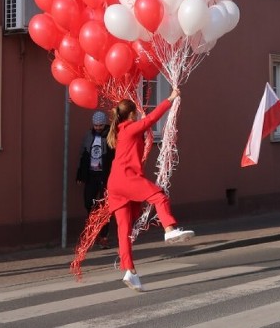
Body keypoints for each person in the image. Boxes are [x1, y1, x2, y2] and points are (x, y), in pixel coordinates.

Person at [107, 90, 194, 291]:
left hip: (115, 184)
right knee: (159, 196)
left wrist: (144, 123)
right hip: (127, 179)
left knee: (124, 230)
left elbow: (144, 130)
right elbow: (154, 118)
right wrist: (170, 99)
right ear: (131, 115)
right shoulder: (129, 129)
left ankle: (130, 271)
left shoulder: (121, 131)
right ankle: (169, 230)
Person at [76, 111, 115, 249]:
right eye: (95, 125)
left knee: (105, 206)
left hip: (105, 175)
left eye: (100, 125)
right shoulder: (89, 135)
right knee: (88, 202)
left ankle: (104, 236)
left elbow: (115, 156)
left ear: (104, 124)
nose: (98, 127)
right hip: (91, 174)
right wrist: (80, 174)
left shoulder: (111, 135)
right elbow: (83, 154)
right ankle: (93, 231)